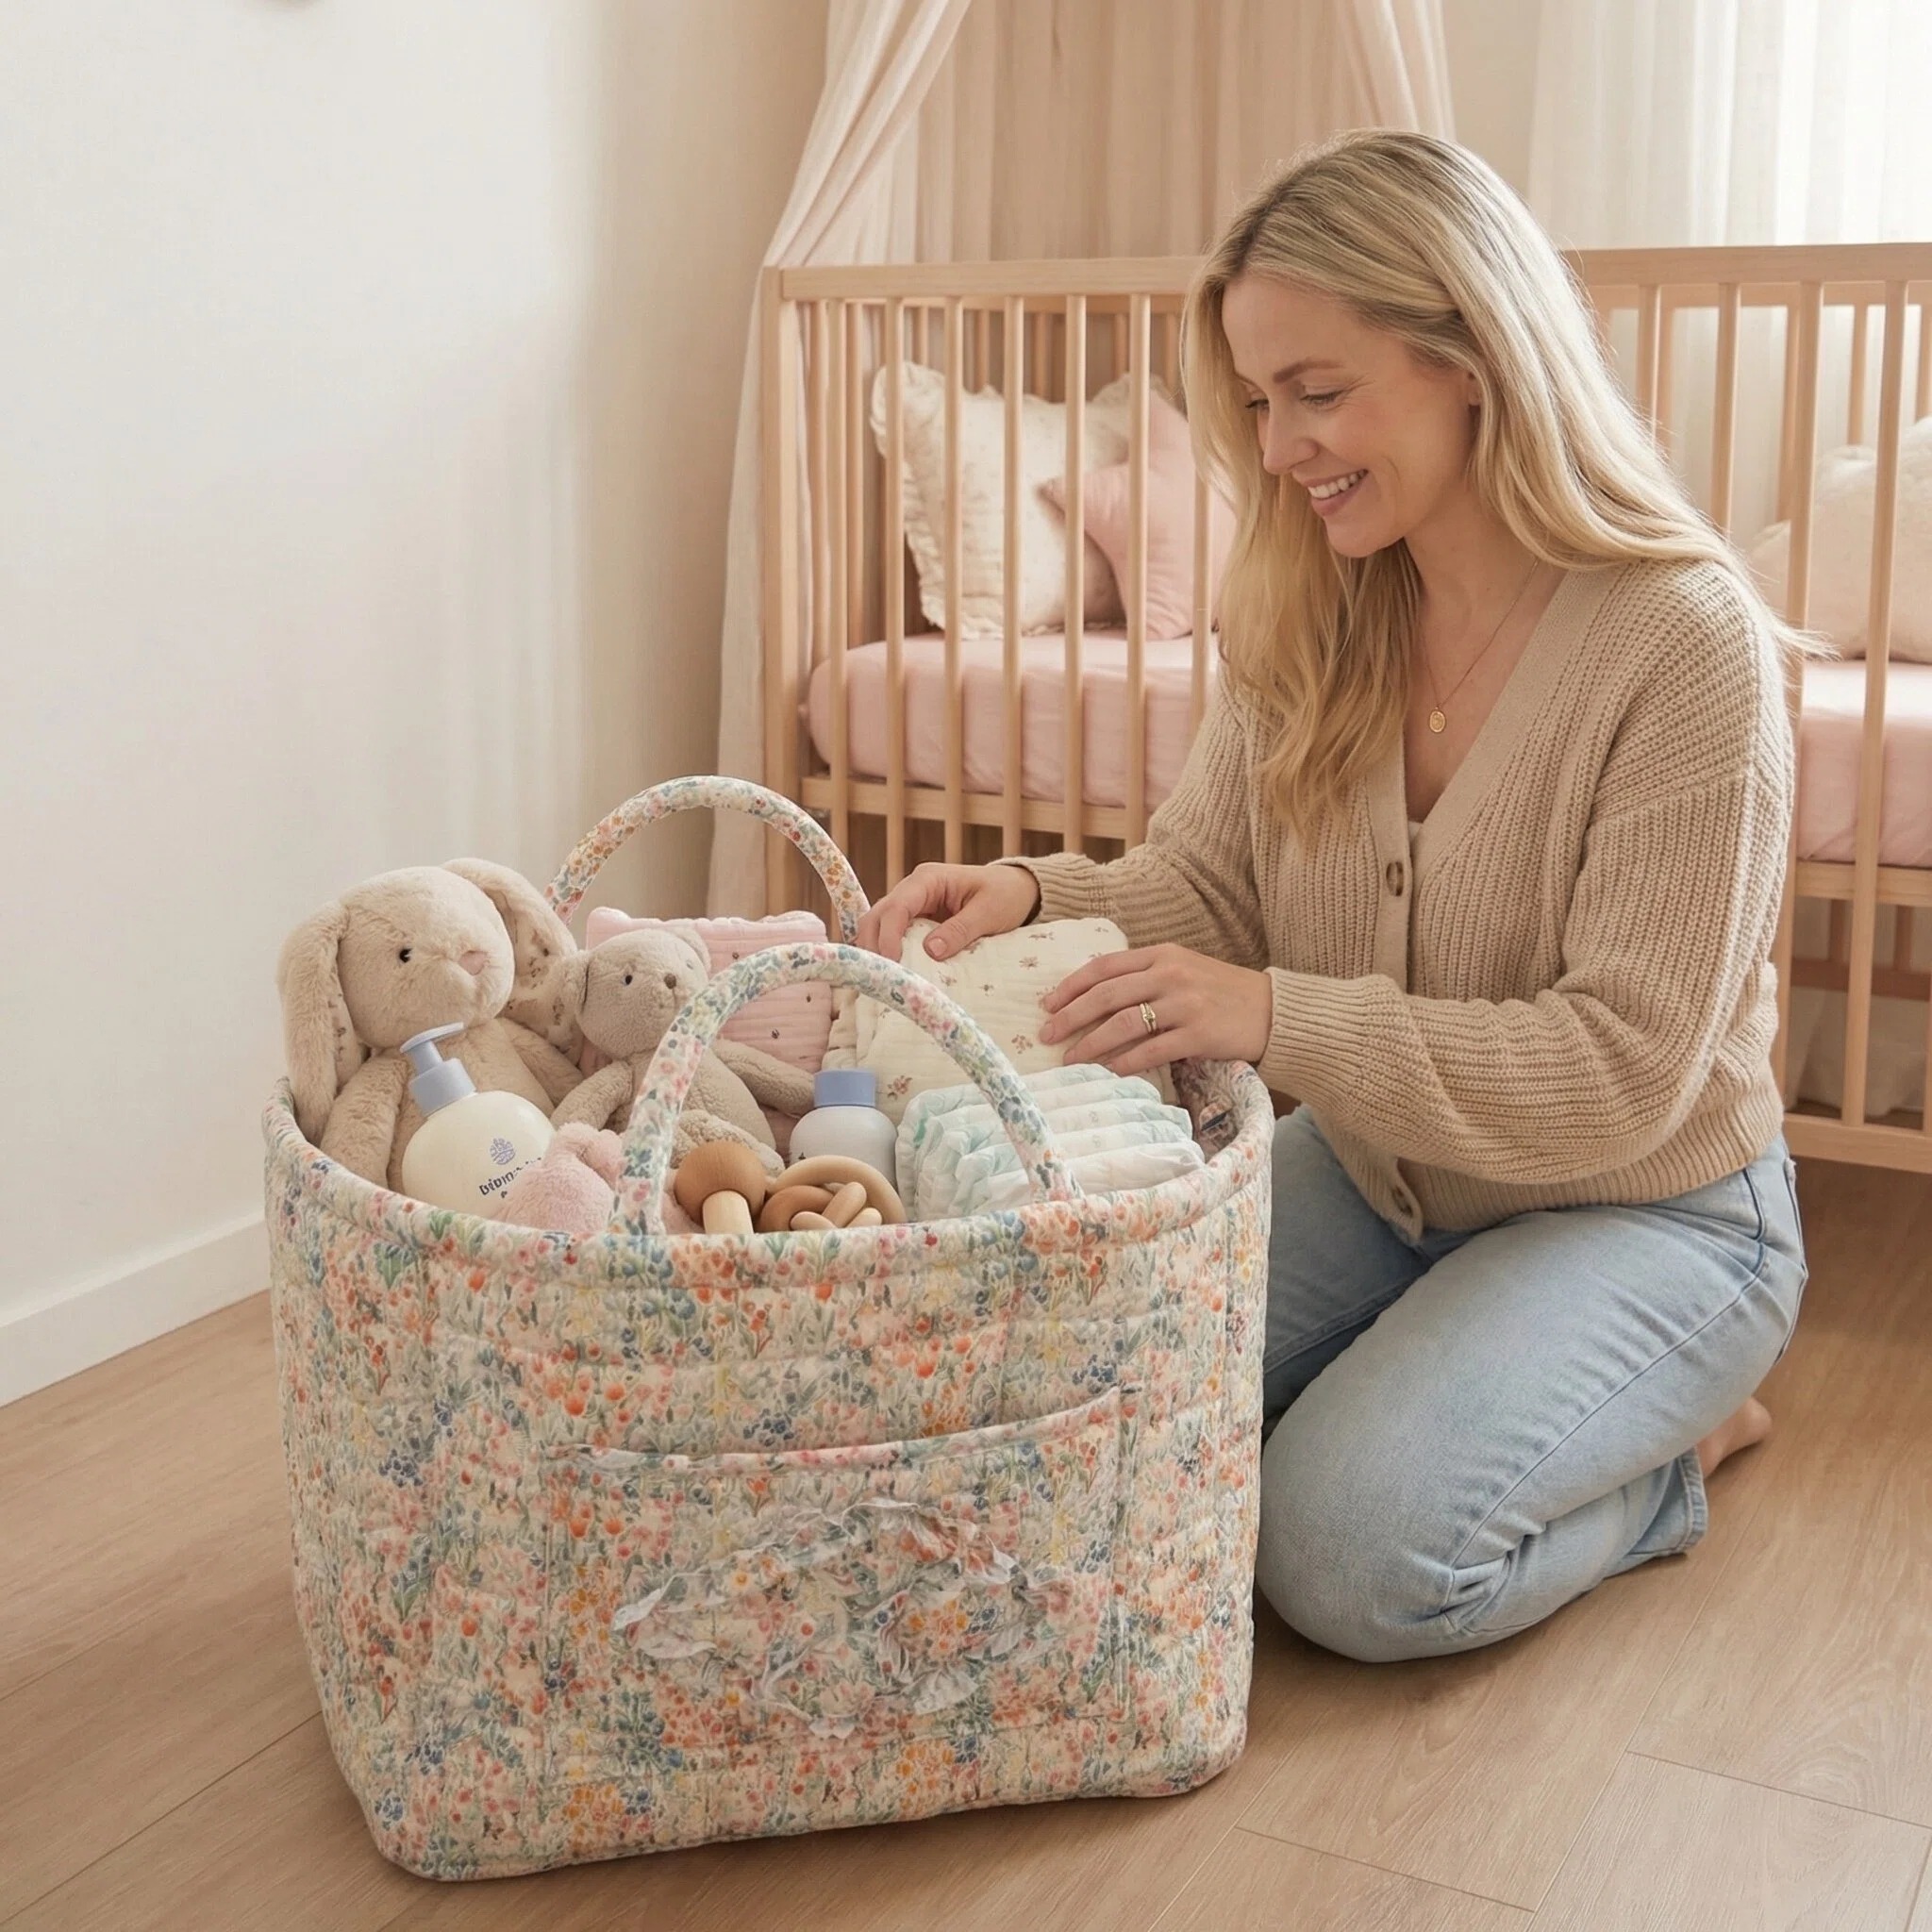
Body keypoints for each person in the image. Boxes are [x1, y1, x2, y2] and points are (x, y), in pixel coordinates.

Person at [857, 130, 1807, 1663]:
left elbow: (1622, 1072)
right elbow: (1211, 886)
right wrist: (1037, 895)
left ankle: (1676, 1462)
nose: (1280, 445)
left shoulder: (1684, 648)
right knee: (1055, 1426)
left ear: (1471, 357)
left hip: (1651, 1212)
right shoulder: (1314, 599)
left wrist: (1280, 1020)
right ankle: (1456, 1372)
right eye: (1255, 401)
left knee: (1343, 1555)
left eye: (1320, 391)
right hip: (1388, 1179)